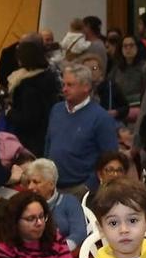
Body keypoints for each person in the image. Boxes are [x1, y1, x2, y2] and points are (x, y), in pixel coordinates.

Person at [46, 64, 121, 193]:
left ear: (86, 87)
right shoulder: (56, 110)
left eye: (70, 85)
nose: (64, 89)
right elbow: (48, 143)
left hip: (82, 188)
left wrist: (89, 186)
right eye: (63, 85)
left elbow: (110, 158)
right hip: (53, 186)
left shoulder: (101, 118)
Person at [20, 157, 89, 246]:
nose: (30, 187)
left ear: (51, 184)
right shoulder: (25, 206)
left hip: (65, 253)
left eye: (36, 182)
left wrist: (58, 250)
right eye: (29, 182)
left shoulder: (69, 202)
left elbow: (79, 234)